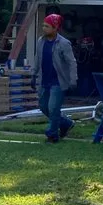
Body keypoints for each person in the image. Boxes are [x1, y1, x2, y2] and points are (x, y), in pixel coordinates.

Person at [31, 14, 78, 143]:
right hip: (44, 80)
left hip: (58, 81)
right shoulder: (41, 41)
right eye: (43, 26)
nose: (44, 28)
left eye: (47, 26)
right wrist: (33, 75)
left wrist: (73, 80)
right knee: (44, 107)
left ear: (55, 27)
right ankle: (66, 123)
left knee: (53, 108)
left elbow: (72, 62)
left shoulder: (63, 43)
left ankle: (52, 135)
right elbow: (37, 59)